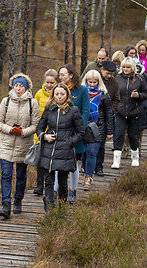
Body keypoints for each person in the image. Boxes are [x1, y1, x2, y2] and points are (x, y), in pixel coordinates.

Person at [0, 73, 40, 219]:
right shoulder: (5, 101)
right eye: (16, 85)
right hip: (6, 144)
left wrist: (22, 132)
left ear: (26, 88)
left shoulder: (32, 104)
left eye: (21, 86)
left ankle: (18, 199)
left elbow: (36, 125)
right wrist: (10, 130)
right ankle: (6, 204)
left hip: (24, 144)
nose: (18, 88)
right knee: (6, 174)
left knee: (20, 174)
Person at [36, 83, 85, 211]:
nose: (59, 97)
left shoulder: (73, 110)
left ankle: (62, 209)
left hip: (65, 151)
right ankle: (49, 210)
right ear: (53, 95)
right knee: (49, 181)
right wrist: (44, 136)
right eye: (57, 94)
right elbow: (40, 127)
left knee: (63, 182)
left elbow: (81, 132)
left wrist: (69, 142)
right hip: (49, 150)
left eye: (62, 94)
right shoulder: (49, 109)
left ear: (67, 95)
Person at [111, 57, 147, 169]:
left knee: (133, 135)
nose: (126, 69)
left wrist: (138, 96)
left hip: (135, 112)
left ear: (133, 68)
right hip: (120, 111)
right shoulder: (117, 78)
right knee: (118, 134)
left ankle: (135, 157)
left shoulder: (140, 79)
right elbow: (113, 94)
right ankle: (116, 160)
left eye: (128, 67)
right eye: (124, 67)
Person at [58, 64, 89, 203]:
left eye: (63, 74)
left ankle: (73, 190)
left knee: (73, 162)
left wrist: (78, 128)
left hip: (76, 132)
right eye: (60, 75)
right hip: (60, 131)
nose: (61, 77)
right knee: (59, 161)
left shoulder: (81, 90)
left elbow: (85, 111)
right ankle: (58, 189)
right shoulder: (58, 90)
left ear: (71, 75)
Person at [81, 70, 113, 190]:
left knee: (92, 152)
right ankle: (85, 171)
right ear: (86, 81)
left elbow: (109, 114)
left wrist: (110, 131)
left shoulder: (104, 95)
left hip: (98, 127)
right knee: (84, 152)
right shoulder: (81, 93)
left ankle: (88, 178)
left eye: (95, 82)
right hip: (83, 126)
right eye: (90, 82)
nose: (93, 84)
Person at [33, 69, 58, 196]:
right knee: (39, 159)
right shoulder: (38, 94)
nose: (49, 85)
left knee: (50, 158)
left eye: (52, 82)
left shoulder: (58, 94)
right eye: (47, 82)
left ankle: (51, 185)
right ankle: (39, 185)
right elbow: (34, 110)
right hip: (41, 129)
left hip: (53, 129)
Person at [95, 60, 120, 176]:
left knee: (101, 144)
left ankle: (99, 166)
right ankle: (86, 166)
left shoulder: (114, 82)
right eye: (107, 73)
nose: (109, 76)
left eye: (111, 74)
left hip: (106, 116)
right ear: (101, 70)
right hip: (93, 114)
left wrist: (110, 110)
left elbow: (116, 99)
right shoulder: (94, 78)